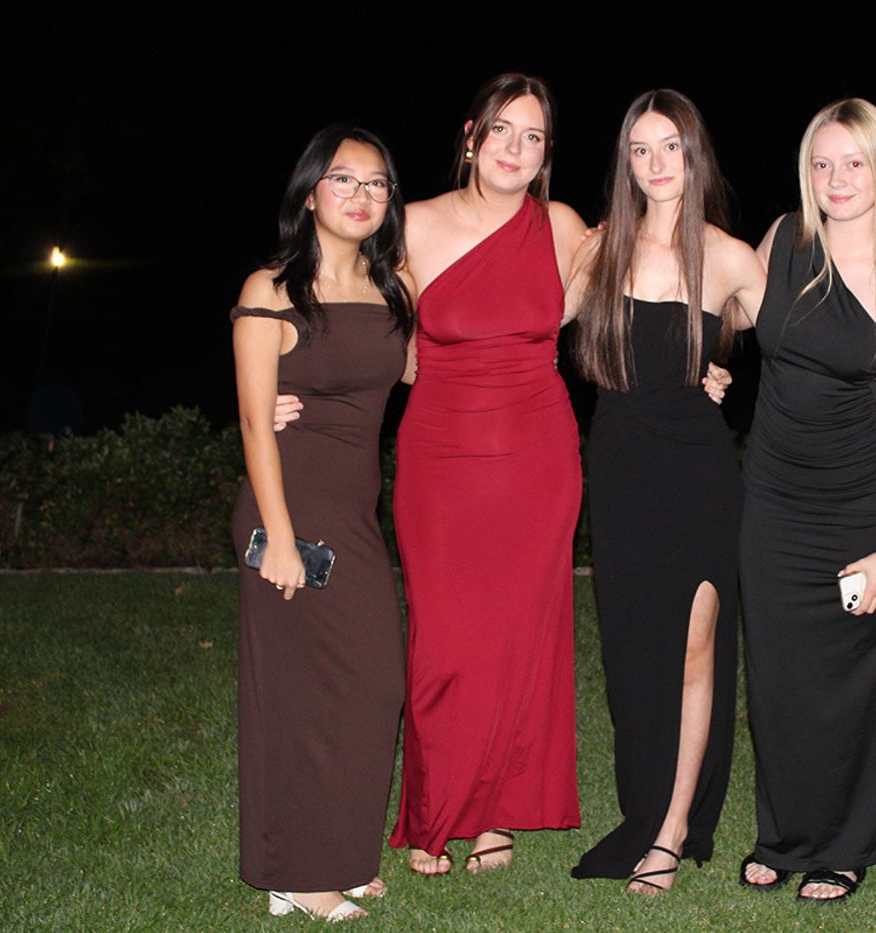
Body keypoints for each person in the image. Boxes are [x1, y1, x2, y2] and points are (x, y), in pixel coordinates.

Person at [737, 98, 876, 903]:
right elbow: (737, 316)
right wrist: (712, 365)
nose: (836, 179)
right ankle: (783, 835)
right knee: (779, 679)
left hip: (857, 506)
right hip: (771, 501)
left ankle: (849, 844)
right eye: (822, 163)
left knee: (852, 681)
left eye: (853, 163)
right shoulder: (784, 239)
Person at [386, 73, 591, 876]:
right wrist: (287, 381)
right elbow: (367, 325)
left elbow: (649, 289)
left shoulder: (563, 227)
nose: (515, 148)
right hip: (440, 459)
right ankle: (437, 809)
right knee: (444, 638)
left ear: (546, 154)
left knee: (517, 640)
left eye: (532, 136)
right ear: (471, 135)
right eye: (502, 129)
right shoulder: (413, 223)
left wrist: (710, 362)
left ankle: (497, 814)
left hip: (540, 460)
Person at [565, 89, 763, 894]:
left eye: (669, 146)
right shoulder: (597, 251)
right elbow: (513, 330)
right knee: (632, 660)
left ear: (693, 154)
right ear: (626, 161)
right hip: (618, 473)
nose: (655, 163)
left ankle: (673, 827)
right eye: (640, 149)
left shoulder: (729, 256)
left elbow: (803, 341)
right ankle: (645, 805)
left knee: (694, 648)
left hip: (698, 478)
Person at [231, 125, 413, 921]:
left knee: (374, 684)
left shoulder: (394, 289)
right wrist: (276, 534)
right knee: (299, 694)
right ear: (311, 193)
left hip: (355, 515)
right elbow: (252, 419)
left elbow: (420, 371)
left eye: (376, 184)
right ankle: (300, 876)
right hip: (290, 510)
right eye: (343, 180)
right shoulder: (271, 288)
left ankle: (339, 852)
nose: (360, 195)